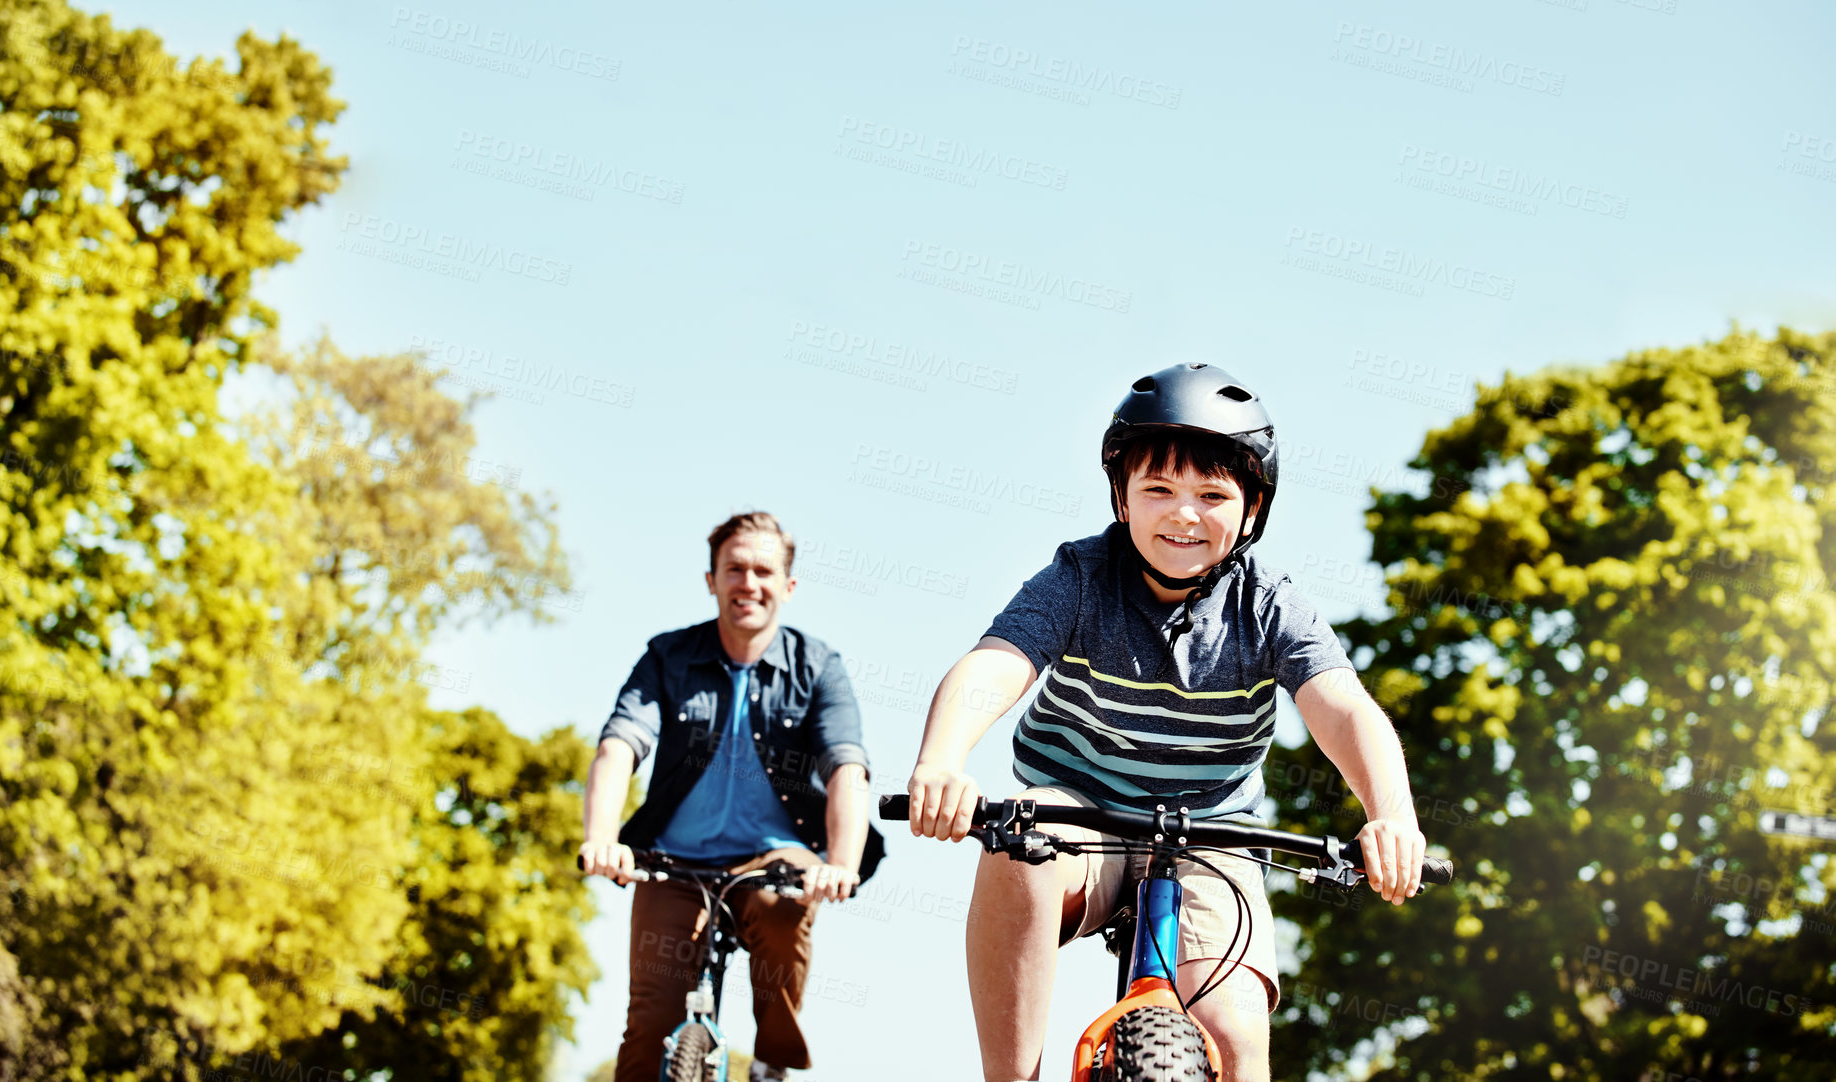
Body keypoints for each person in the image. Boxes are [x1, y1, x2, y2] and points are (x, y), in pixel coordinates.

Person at [904, 363, 1429, 1082]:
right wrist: (941, 759)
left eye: (1211, 495)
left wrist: (1390, 814)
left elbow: (1340, 706)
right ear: (1121, 499)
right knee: (1015, 843)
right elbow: (994, 664)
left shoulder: (1270, 606)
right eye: (1158, 490)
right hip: (1083, 819)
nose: (1184, 514)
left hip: (1213, 833)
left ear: (1251, 511)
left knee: (1236, 1035)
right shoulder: (1079, 578)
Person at [580, 512, 883, 1082]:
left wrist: (840, 864)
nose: (749, 583)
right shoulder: (667, 658)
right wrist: (601, 839)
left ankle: (771, 1061)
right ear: (711, 580)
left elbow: (846, 765)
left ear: (788, 587)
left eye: (764, 571)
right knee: (649, 1025)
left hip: (776, 856)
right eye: (734, 569)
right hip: (671, 862)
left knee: (780, 910)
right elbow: (620, 744)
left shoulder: (818, 667)